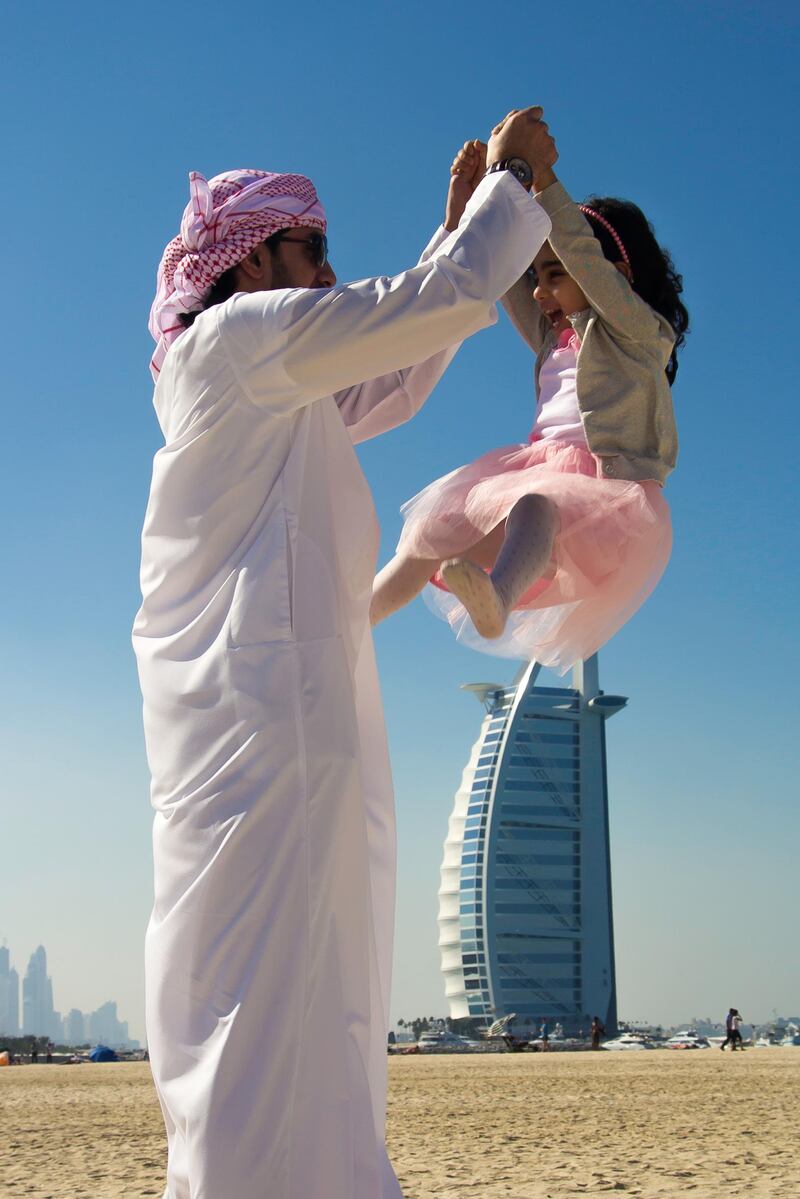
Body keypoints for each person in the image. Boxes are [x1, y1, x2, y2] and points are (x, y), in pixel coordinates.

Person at [134, 108, 554, 1199]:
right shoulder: (237, 344)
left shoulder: (256, 376)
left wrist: (458, 222)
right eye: (311, 248)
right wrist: (512, 187)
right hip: (264, 717)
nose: (328, 269)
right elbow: (428, 306)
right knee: (264, 997)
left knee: (307, 989)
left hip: (275, 712)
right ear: (249, 262)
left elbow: (403, 356)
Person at [371, 131, 688, 674]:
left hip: (607, 491)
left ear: (618, 273)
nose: (541, 293)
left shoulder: (637, 332)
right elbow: (501, 274)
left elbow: (586, 263)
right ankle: (348, 619)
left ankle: (497, 598)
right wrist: (477, 204)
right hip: (537, 469)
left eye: (554, 276)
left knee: (536, 502)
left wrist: (543, 180)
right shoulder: (553, 338)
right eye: (540, 279)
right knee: (427, 536)